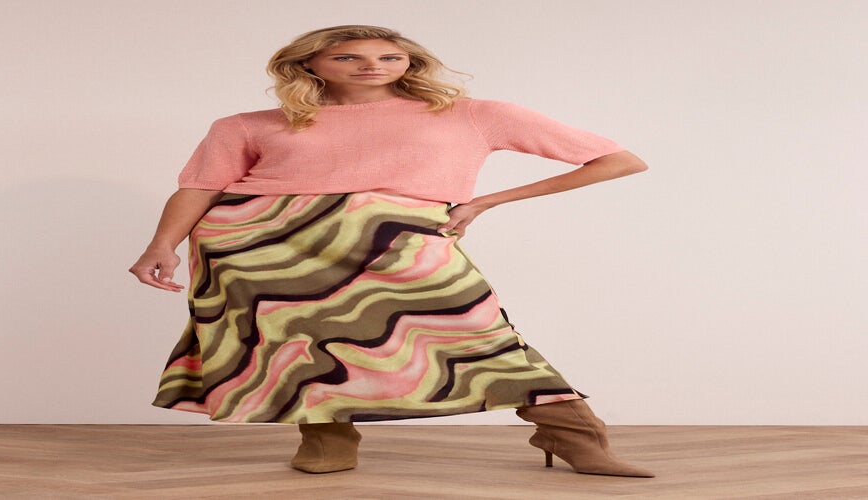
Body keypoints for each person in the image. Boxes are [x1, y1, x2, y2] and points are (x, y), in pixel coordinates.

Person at [129, 25, 653, 478]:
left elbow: (618, 160)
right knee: (296, 345)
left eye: (388, 57)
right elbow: (199, 188)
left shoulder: (471, 114)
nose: (371, 66)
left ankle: (573, 434)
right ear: (307, 63)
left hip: (399, 240)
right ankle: (327, 439)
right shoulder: (247, 124)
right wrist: (161, 245)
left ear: (410, 62)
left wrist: (486, 202)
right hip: (260, 247)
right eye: (347, 57)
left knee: (475, 333)